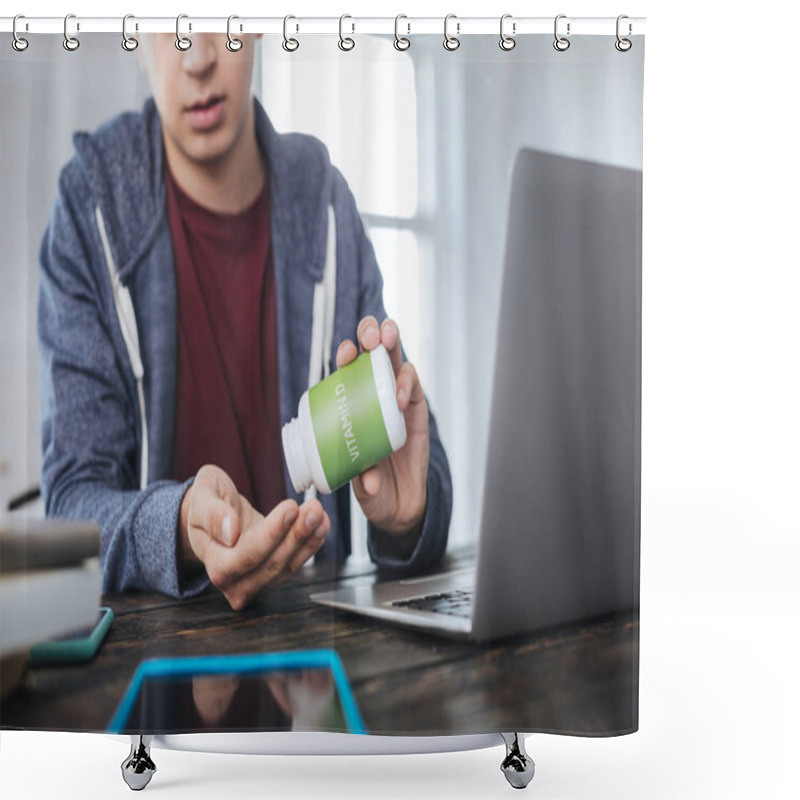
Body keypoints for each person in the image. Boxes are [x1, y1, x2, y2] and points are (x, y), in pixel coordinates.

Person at [37, 33, 452, 611]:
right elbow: (71, 511)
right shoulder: (92, 207)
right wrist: (177, 526)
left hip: (317, 666)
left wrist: (409, 519)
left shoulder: (325, 206)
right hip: (152, 669)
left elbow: (414, 471)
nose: (198, 56)